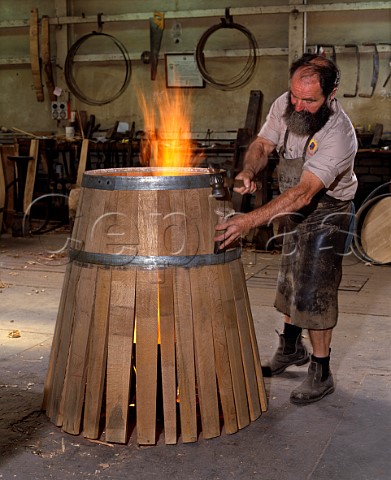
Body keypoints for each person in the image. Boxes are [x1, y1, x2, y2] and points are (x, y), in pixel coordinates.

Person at [215, 53, 358, 405]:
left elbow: (304, 192)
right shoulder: (286, 103)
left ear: (332, 93)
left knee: (315, 290)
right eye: (295, 95)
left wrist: (247, 220)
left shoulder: (339, 134)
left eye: (309, 100)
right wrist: (249, 170)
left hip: (327, 212)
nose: (298, 104)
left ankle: (321, 371)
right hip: (292, 208)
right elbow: (263, 146)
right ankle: (291, 348)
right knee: (290, 281)